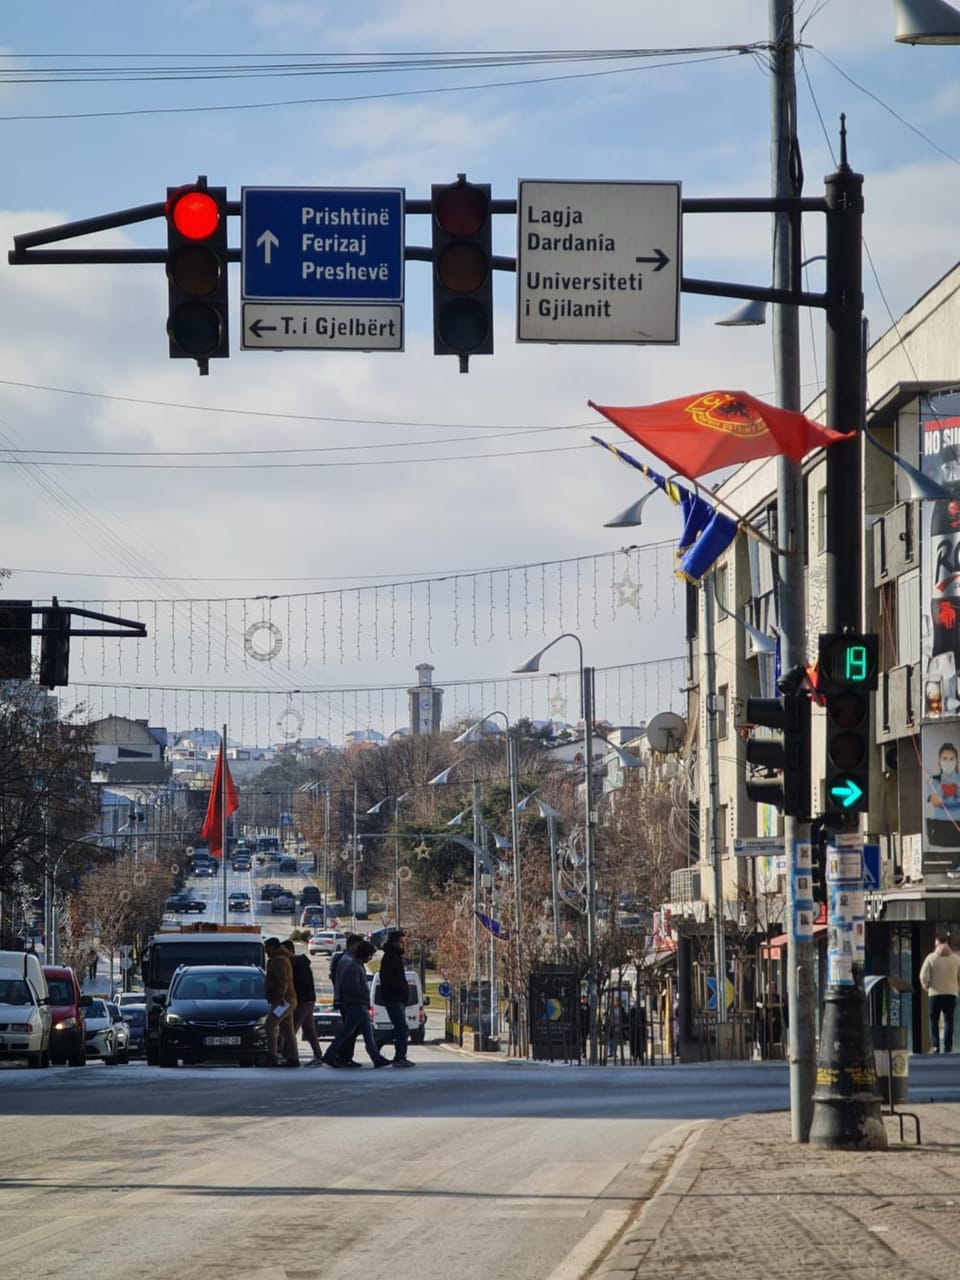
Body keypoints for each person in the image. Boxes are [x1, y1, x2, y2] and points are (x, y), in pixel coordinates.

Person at [323, 940, 391, 1069]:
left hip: (355, 1003)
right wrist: (364, 999)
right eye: (370, 955)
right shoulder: (353, 966)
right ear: (365, 954)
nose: (371, 958)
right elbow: (353, 988)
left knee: (347, 1032)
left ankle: (329, 1054)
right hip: (357, 1004)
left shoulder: (355, 964)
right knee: (367, 1033)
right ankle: (376, 1058)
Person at [282, 939, 324, 1066]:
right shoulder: (297, 963)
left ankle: (288, 1055)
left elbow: (301, 983)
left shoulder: (298, 964)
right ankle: (318, 1055)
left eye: (284, 951)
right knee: (308, 1028)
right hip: (307, 1000)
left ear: (290, 950)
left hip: (303, 1000)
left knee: (291, 1028)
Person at [377, 929, 414, 1068]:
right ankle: (399, 1057)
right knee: (402, 1028)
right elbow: (387, 978)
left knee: (400, 1028)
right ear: (394, 943)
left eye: (404, 942)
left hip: (398, 998)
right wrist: (398, 991)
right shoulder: (389, 957)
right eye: (401, 942)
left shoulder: (395, 956)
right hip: (393, 998)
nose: (403, 945)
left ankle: (377, 1045)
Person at [920, 933, 960, 1053]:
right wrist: (956, 987)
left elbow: (923, 976)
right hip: (951, 993)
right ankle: (948, 1047)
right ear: (947, 944)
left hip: (934, 994)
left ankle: (935, 1046)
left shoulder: (931, 958)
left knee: (934, 1020)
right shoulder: (956, 959)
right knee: (948, 1020)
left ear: (936, 944)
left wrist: (926, 986)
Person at [263, 936, 299, 1067]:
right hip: (288, 1000)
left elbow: (282, 981)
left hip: (283, 1001)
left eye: (267, 949)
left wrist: (280, 997)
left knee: (270, 1025)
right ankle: (293, 1057)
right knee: (288, 1029)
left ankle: (272, 1055)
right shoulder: (282, 959)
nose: (266, 952)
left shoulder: (278, 961)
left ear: (273, 948)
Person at [328, 934, 363, 1067]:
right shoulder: (346, 960)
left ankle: (344, 1055)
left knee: (352, 1029)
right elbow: (342, 982)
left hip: (348, 1000)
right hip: (347, 1000)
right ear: (351, 945)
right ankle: (340, 1055)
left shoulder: (353, 959)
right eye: (358, 945)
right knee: (351, 1029)